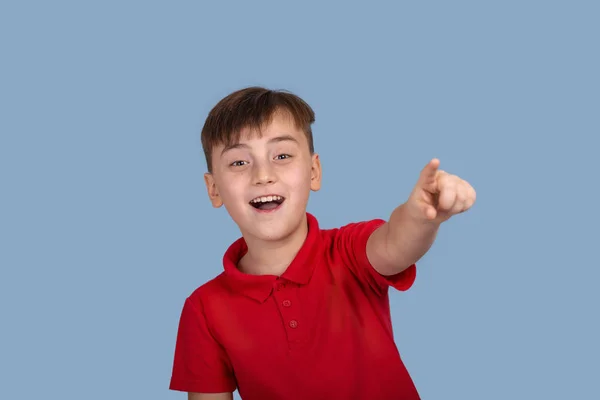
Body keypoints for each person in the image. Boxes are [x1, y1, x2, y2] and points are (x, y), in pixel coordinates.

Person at [169, 87, 476, 400]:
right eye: (238, 163)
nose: (263, 175)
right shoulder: (204, 309)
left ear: (314, 172)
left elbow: (396, 244)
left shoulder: (349, 250)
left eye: (282, 156)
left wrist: (421, 216)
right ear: (213, 189)